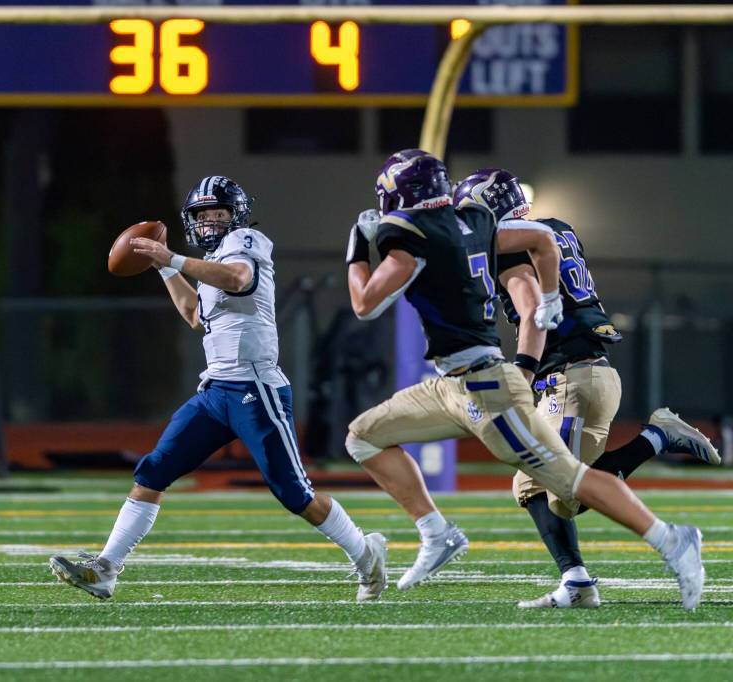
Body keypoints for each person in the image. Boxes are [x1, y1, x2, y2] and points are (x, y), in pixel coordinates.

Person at [343, 149, 704, 610]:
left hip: (489, 384)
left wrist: (356, 248)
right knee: (364, 437)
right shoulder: (473, 219)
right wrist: (549, 296)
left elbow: (364, 304)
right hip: (450, 384)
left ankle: (672, 541)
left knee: (565, 481)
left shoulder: (418, 233)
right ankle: (437, 533)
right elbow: (540, 238)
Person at [49, 175, 387, 601]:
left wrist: (173, 257)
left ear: (236, 216)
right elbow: (194, 313)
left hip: (256, 387)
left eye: (217, 213)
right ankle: (106, 568)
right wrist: (163, 268)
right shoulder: (208, 262)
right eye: (202, 215)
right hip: (215, 392)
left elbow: (238, 280)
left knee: (295, 494)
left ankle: (365, 554)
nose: (209, 222)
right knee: (153, 471)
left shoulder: (246, 241)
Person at [453, 168, 720, 608]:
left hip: (572, 379)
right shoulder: (554, 230)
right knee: (540, 485)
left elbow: (531, 306)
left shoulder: (511, 245)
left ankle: (660, 454)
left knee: (561, 490)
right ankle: (577, 581)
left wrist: (521, 372)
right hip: (584, 375)